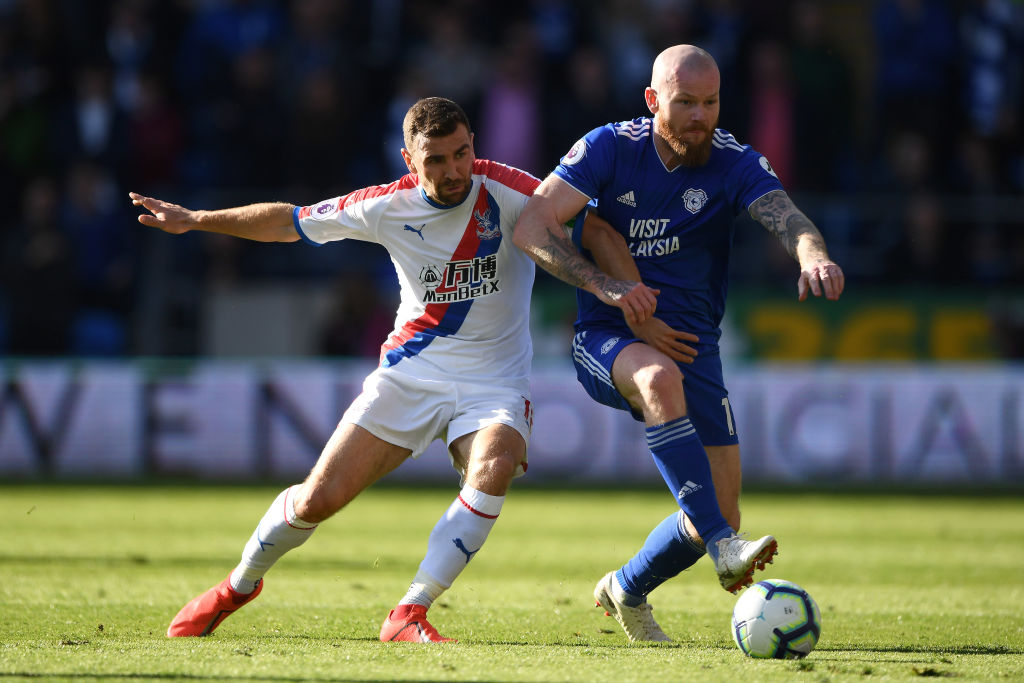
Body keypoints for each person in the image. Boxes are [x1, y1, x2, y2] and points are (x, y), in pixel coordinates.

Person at [132, 97, 656, 642]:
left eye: (463, 153)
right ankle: (236, 587)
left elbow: (594, 226)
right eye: (436, 160)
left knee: (495, 464)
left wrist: (622, 290)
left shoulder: (513, 190)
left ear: (474, 144)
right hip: (410, 375)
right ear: (410, 160)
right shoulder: (386, 205)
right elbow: (288, 223)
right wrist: (195, 220)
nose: (454, 170)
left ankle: (409, 611)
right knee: (317, 499)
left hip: (493, 382)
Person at [513, 45, 845, 642]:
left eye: (711, 102)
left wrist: (812, 255)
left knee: (716, 508)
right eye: (685, 102)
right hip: (607, 337)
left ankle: (627, 588)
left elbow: (786, 216)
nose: (700, 115)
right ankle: (724, 547)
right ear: (652, 100)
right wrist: (607, 287)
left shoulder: (732, 160)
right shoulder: (610, 147)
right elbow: (532, 225)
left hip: (696, 347)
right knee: (660, 387)